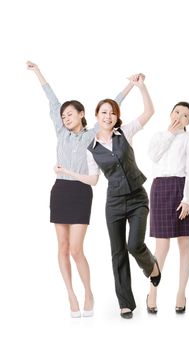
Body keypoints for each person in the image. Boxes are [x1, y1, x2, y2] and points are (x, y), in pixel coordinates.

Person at [27, 61, 136, 318]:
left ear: (82, 114)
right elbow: (52, 101)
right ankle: (71, 294)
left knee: (76, 249)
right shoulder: (61, 133)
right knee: (62, 248)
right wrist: (38, 72)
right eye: (63, 116)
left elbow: (113, 105)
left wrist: (130, 85)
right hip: (60, 191)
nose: (65, 117)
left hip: (81, 192)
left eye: (70, 114)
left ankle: (88, 291)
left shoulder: (92, 133)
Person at [55, 74, 161, 319]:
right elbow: (93, 180)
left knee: (134, 245)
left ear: (116, 116)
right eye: (103, 112)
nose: (108, 116)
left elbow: (149, 111)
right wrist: (67, 171)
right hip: (113, 202)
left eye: (112, 112)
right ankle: (125, 303)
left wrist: (141, 87)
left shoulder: (125, 132)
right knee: (117, 251)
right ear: (96, 116)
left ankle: (151, 265)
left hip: (137, 198)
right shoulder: (91, 148)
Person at [146, 101, 189, 315]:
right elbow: (153, 156)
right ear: (170, 113)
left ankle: (181, 292)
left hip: (180, 187)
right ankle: (152, 292)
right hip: (160, 187)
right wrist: (169, 133)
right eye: (177, 112)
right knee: (162, 247)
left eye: (185, 115)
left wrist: (187, 199)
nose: (179, 116)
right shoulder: (159, 135)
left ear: (188, 121)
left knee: (184, 244)